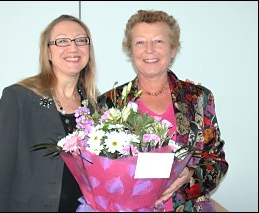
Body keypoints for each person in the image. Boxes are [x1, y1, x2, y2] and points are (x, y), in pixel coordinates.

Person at [98, 10, 228, 212]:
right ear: (130, 50)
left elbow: (216, 162)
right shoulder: (109, 103)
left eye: (158, 41)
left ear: (173, 49)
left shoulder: (198, 98)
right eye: (140, 42)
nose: (149, 50)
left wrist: (190, 177)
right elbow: (99, 170)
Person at [0, 14, 98, 212]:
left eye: (81, 40)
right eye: (62, 41)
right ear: (48, 52)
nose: (73, 48)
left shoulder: (95, 105)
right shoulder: (20, 98)